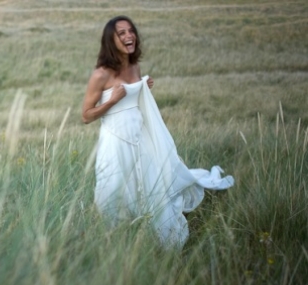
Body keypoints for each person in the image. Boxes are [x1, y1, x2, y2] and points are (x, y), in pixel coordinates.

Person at [81, 16, 234, 248]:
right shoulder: (101, 74)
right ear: (110, 40)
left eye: (130, 31)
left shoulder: (134, 67)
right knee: (112, 191)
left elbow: (133, 101)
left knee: (148, 185)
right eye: (121, 33)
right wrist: (111, 101)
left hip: (140, 138)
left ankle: (147, 235)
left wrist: (142, 87)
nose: (128, 36)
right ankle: (113, 241)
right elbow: (86, 116)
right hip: (115, 141)